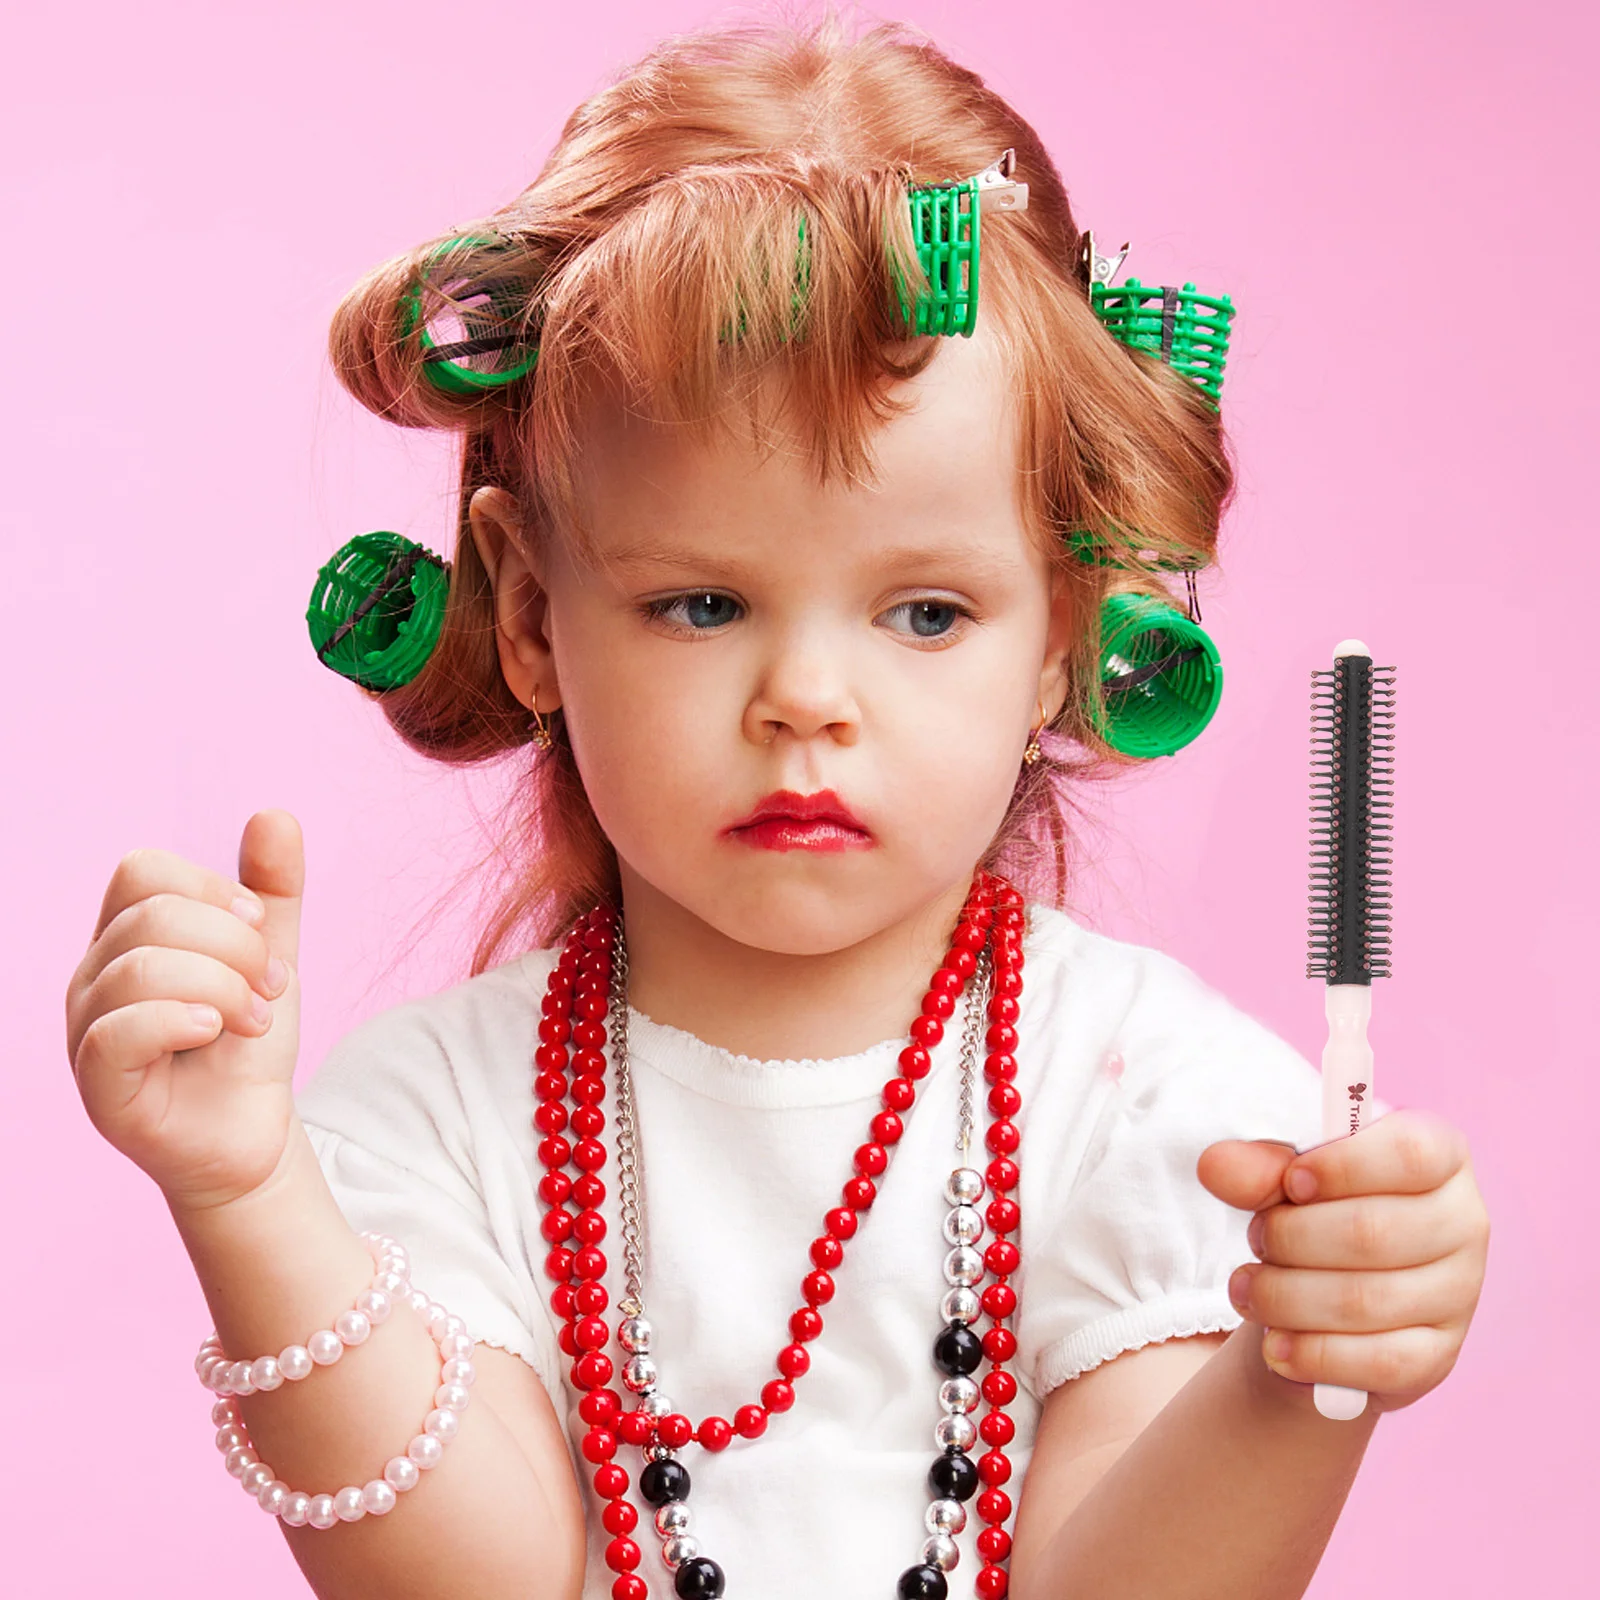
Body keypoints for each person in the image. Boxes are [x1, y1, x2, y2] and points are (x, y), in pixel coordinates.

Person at [64, 12, 1489, 1600]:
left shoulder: (1168, 1108)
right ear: (533, 616)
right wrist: (247, 1197)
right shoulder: (430, 1120)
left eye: (927, 614)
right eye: (700, 605)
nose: (808, 699)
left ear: (1066, 638)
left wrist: (1294, 1382)